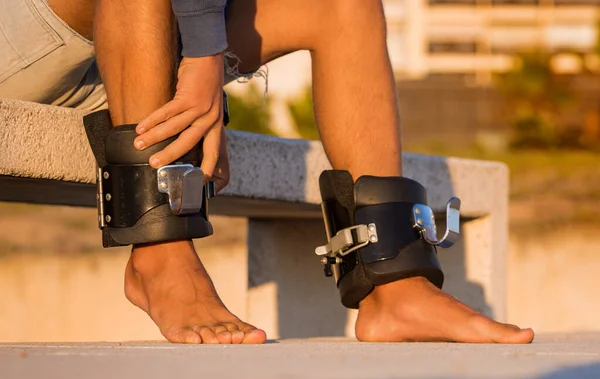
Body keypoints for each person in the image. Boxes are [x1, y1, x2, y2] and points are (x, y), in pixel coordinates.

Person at [0, 0, 534, 345]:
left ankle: (395, 285)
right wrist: (206, 55)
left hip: (146, 37)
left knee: (343, 6)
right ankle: (159, 258)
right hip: (36, 40)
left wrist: (198, 70)